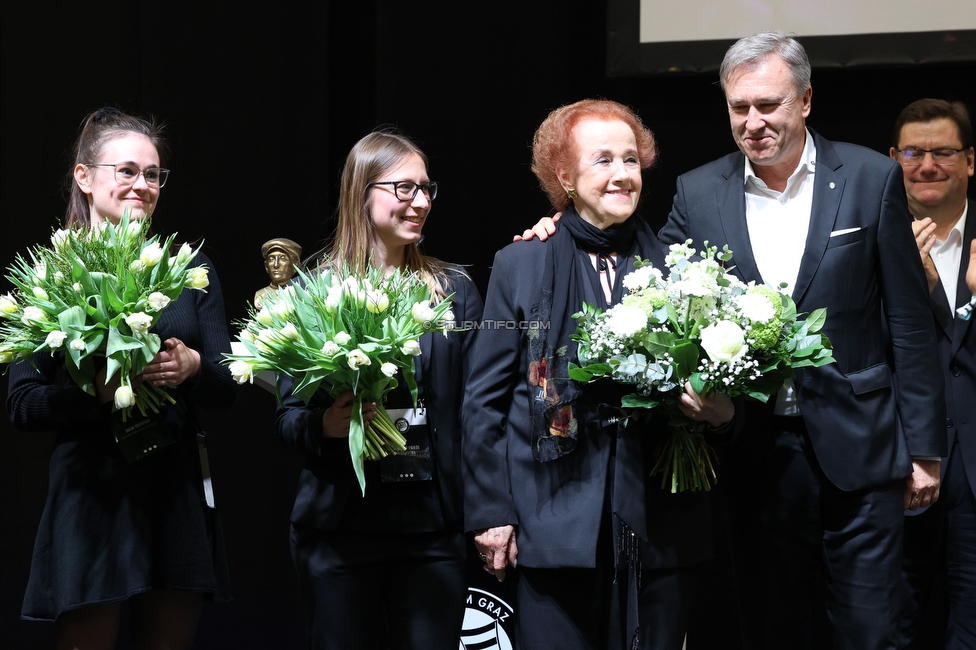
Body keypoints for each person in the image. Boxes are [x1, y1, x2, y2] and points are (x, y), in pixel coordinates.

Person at [652, 32, 945, 649]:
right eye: (739, 108)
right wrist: (557, 221)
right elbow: (650, 292)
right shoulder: (697, 192)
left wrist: (925, 449)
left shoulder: (871, 177)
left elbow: (909, 324)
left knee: (866, 631)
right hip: (753, 450)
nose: (753, 122)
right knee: (770, 628)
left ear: (805, 100)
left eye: (769, 105)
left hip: (863, 448)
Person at [462, 99, 735, 650]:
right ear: (564, 174)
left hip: (662, 526)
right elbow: (482, 403)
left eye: (630, 160)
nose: (621, 175)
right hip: (551, 522)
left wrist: (721, 410)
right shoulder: (520, 264)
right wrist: (492, 513)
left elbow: (723, 391)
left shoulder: (680, 269)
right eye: (602, 159)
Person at [6, 107, 238, 648]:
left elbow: (228, 386)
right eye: (127, 171)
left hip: (173, 488)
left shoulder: (187, 266)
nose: (143, 185)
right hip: (92, 494)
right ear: (84, 178)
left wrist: (194, 367)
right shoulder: (52, 272)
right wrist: (98, 397)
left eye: (153, 174)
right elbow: (22, 402)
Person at [274, 129, 482, 650]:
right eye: (405, 188)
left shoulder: (455, 290)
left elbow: (478, 412)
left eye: (427, 188)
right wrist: (324, 425)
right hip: (341, 531)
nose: (422, 201)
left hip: (433, 529)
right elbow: (288, 416)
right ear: (361, 193)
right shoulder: (309, 290)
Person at [893, 98, 976, 649]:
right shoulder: (872, 243)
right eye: (913, 152)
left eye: (943, 152)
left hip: (974, 469)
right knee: (899, 623)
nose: (927, 165)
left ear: (970, 161)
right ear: (892, 159)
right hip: (901, 467)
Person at [254, 237, 302, 308]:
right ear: (266, 266)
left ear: (296, 265)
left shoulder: (304, 292)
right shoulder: (260, 295)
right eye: (271, 259)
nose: (276, 265)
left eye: (282, 258)